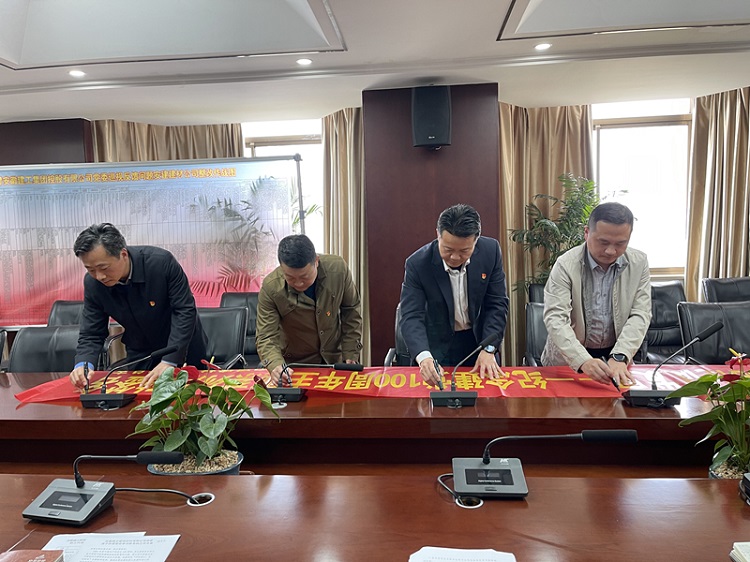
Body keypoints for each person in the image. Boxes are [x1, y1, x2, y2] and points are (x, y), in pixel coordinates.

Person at [69, 223, 208, 390]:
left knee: (189, 399)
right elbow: (92, 331)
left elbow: (184, 311)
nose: (99, 276)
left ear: (123, 254)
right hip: (140, 351)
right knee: (138, 398)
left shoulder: (161, 263)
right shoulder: (93, 284)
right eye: (90, 269)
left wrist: (170, 361)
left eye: (103, 268)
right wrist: (84, 364)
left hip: (181, 346)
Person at [541, 202, 651, 386]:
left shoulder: (639, 263)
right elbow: (556, 318)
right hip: (569, 359)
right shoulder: (566, 264)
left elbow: (640, 314)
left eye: (620, 243)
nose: (611, 251)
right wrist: (582, 360)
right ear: (586, 232)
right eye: (603, 242)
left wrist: (620, 355)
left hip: (617, 357)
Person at [398, 204, 509, 386]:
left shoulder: (490, 252)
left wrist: (489, 349)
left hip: (478, 343)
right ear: (438, 235)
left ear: (476, 241)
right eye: (448, 249)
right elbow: (411, 315)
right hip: (436, 346)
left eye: (464, 251)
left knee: (485, 398)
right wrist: (424, 357)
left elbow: (497, 304)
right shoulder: (418, 264)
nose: (455, 257)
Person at [256, 234, 363, 386]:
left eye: (305, 276)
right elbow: (266, 336)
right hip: (295, 367)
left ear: (316, 261)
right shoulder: (271, 288)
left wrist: (350, 352)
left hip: (336, 362)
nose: (298, 283)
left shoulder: (338, 271)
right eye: (290, 278)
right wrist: (275, 365)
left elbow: (351, 311)